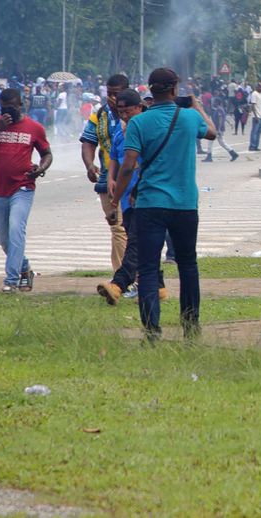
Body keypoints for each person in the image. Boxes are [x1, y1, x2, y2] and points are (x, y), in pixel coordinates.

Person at [111, 67, 216, 339]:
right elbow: (212, 133)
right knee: (187, 265)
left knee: (147, 267)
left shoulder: (138, 123)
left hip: (149, 205)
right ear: (174, 89)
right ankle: (191, 326)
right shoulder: (190, 117)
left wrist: (115, 197)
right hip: (184, 204)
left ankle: (151, 330)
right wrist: (197, 106)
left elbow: (128, 166)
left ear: (150, 90)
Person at [0, 87, 53, 293]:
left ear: (21, 105)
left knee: (17, 229)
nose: (8, 113)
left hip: (23, 187)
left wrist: (40, 169)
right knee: (3, 238)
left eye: (12, 108)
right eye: (3, 108)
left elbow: (47, 154)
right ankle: (24, 268)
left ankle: (11, 281)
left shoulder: (34, 128)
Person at [96, 89, 168, 305]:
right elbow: (116, 160)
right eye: (120, 112)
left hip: (145, 195)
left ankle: (118, 284)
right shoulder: (121, 131)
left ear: (139, 108)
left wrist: (116, 197)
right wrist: (111, 178)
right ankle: (158, 287)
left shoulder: (147, 128)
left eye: (128, 111)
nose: (124, 116)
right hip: (127, 197)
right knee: (142, 243)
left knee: (136, 242)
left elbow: (133, 163)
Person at [80, 74, 130, 276]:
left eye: (116, 94)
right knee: (117, 228)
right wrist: (90, 164)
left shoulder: (137, 112)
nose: (111, 98)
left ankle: (125, 277)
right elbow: (88, 142)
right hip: (107, 180)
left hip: (133, 179)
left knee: (128, 229)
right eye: (109, 93)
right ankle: (122, 276)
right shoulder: (99, 115)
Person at [248, 86, 261, 152]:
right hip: (256, 116)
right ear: (257, 87)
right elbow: (253, 105)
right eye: (260, 87)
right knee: (254, 132)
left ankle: (256, 146)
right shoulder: (254, 94)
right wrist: (255, 116)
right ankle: (252, 146)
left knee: (259, 132)